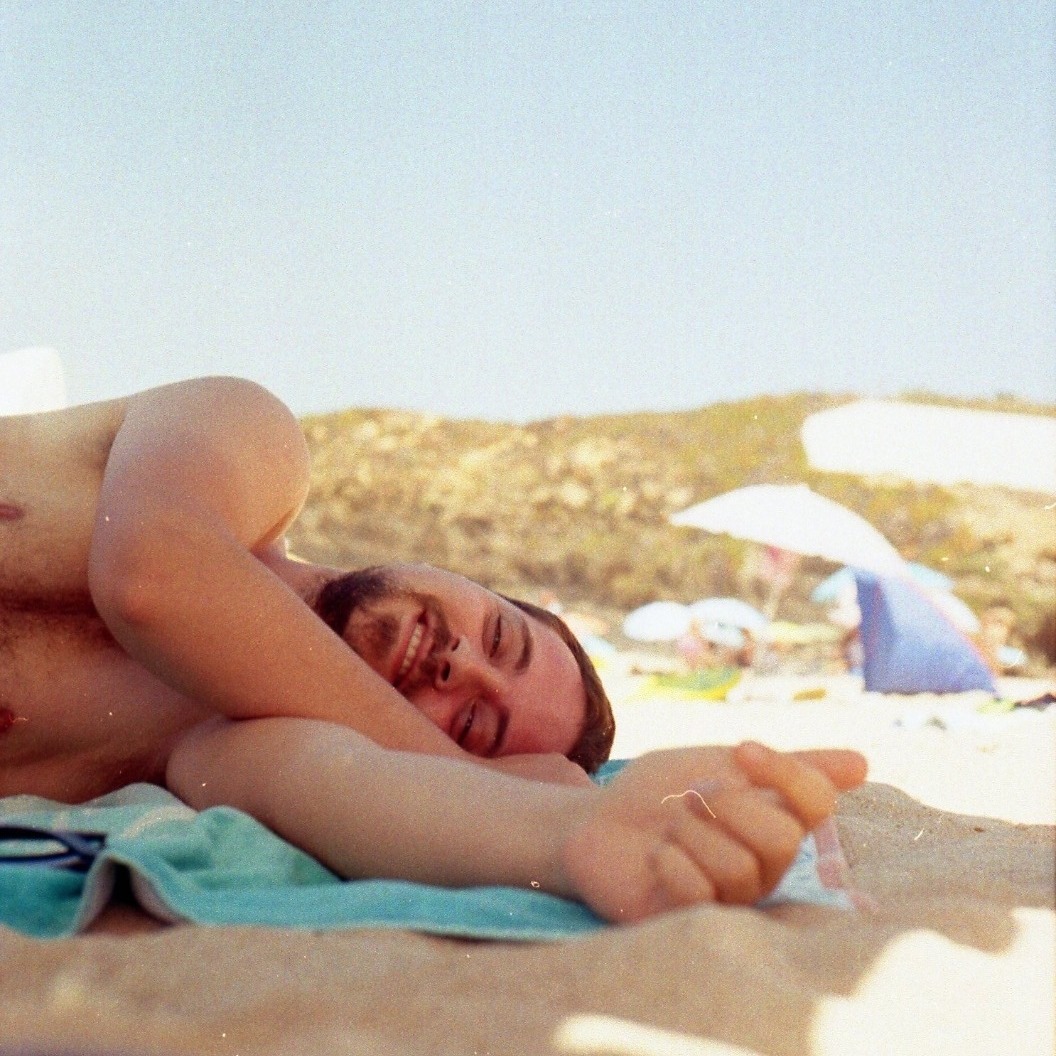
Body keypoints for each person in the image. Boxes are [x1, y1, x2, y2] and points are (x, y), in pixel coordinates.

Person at [0, 376, 866, 923]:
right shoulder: (250, 437)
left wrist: (573, 832)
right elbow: (153, 577)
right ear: (464, 575)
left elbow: (350, 786)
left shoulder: (215, 751)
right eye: (499, 636)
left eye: (473, 724)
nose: (460, 666)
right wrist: (459, 762)